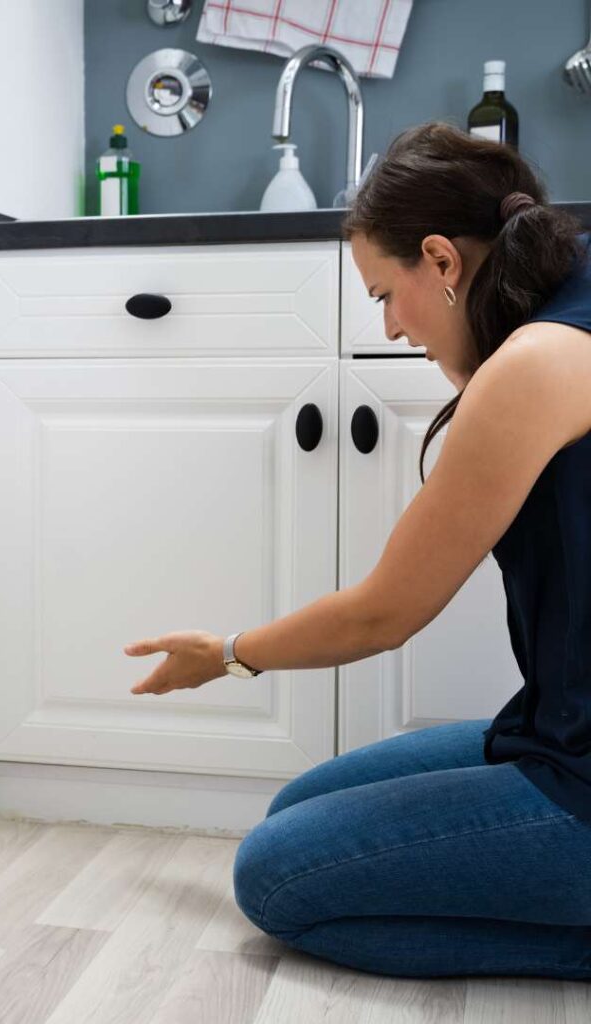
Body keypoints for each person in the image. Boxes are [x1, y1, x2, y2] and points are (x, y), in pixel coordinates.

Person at [123, 120, 591, 979]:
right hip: (559, 731)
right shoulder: (569, 292)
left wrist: (226, 656)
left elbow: (385, 614)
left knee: (277, 879)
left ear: (444, 261)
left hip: (582, 784)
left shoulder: (532, 368)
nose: (386, 324)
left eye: (384, 292)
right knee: (299, 808)